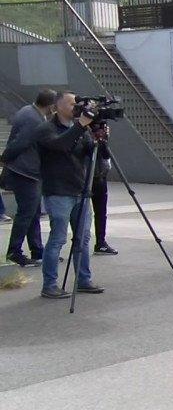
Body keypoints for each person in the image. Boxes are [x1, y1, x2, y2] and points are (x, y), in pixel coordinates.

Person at [34, 91, 103, 298]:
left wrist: (100, 138)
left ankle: (83, 279)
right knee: (58, 239)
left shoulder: (81, 129)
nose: (77, 107)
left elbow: (91, 152)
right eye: (72, 104)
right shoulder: (46, 129)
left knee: (83, 238)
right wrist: (81, 125)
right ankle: (50, 284)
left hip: (80, 189)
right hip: (58, 191)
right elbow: (61, 145)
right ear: (58, 106)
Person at [2, 89, 54, 266]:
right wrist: (5, 160)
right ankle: (14, 251)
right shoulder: (34, 119)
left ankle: (37, 250)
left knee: (32, 212)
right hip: (25, 172)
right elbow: (20, 143)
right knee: (26, 213)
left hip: (24, 171)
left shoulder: (27, 111)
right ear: (51, 105)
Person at [90, 127, 117, 255]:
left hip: (100, 175)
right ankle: (79, 243)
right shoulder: (80, 129)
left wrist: (103, 139)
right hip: (85, 176)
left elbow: (106, 154)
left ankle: (100, 242)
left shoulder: (101, 133)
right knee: (82, 213)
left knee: (101, 212)